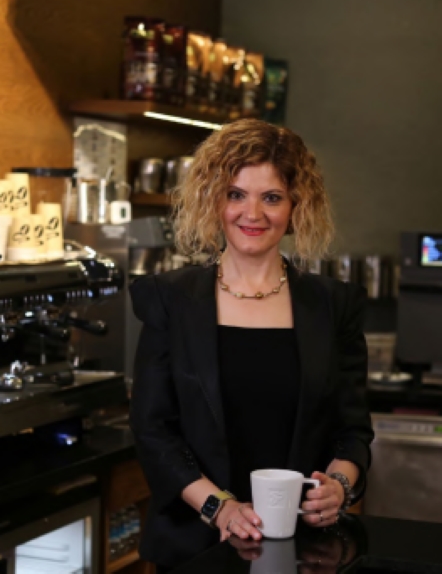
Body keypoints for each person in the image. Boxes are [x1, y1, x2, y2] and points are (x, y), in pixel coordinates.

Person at [129, 118, 374, 573]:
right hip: (194, 547)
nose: (253, 213)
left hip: (305, 550)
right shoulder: (171, 300)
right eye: (236, 194)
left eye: (272, 197)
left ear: (296, 205)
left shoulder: (333, 305)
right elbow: (153, 429)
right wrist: (219, 507)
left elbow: (353, 430)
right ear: (214, 200)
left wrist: (338, 486)